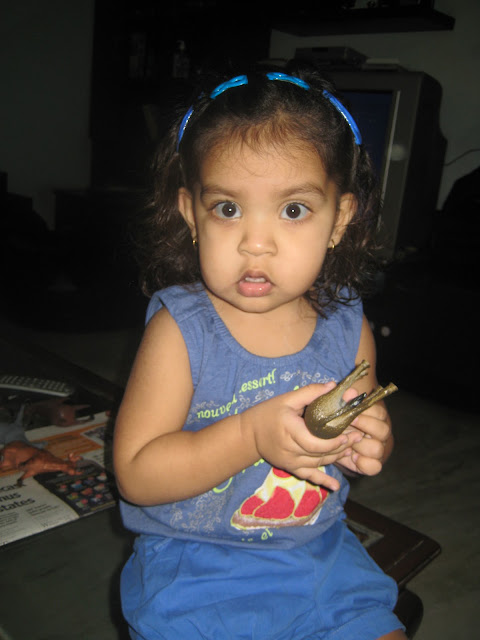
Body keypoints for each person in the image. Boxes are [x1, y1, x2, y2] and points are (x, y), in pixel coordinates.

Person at [113, 66, 406, 640]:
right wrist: (251, 435)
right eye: (228, 209)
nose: (255, 243)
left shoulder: (349, 328)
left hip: (319, 560)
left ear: (339, 220)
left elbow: (351, 435)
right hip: (195, 569)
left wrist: (370, 442)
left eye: (293, 210)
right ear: (191, 214)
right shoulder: (180, 332)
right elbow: (137, 476)